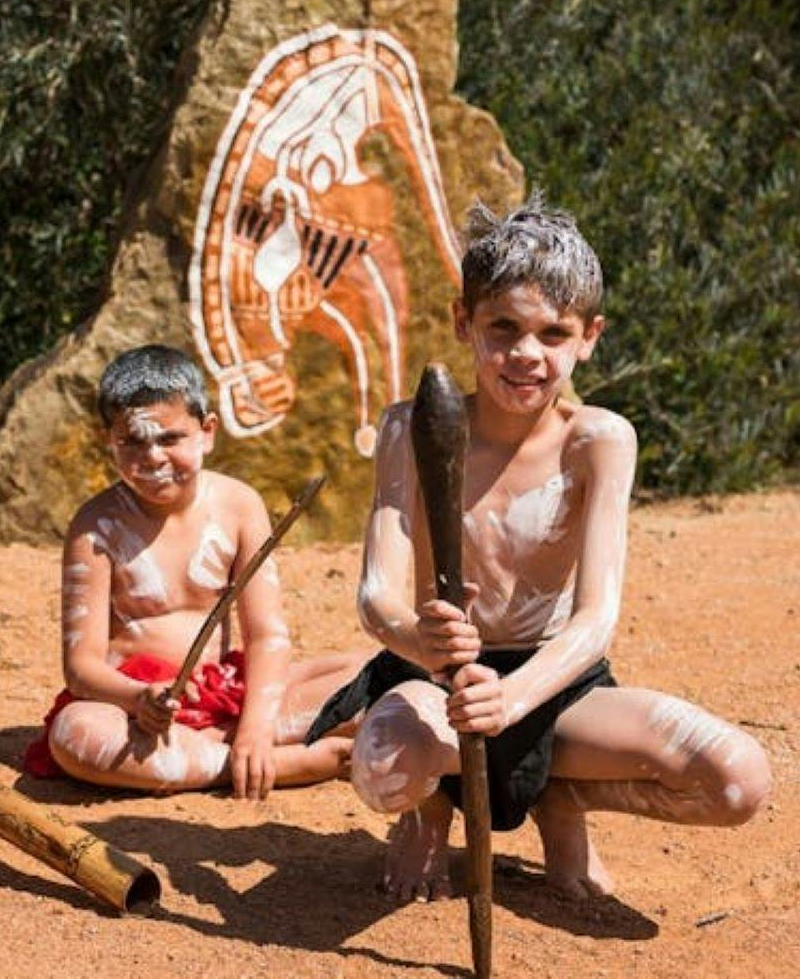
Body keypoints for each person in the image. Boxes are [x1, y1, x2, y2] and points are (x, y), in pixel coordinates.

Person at [306, 198, 771, 901]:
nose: (527, 353)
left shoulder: (599, 441)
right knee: (382, 764)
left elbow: (595, 619)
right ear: (465, 322)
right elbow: (377, 595)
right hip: (437, 682)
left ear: (589, 337)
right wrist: (422, 639)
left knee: (736, 780)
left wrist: (516, 697)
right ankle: (429, 812)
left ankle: (564, 799)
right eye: (504, 328)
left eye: (554, 332)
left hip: (553, 684)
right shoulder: (414, 427)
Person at [22, 344, 367, 796]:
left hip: (228, 693)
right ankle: (266, 765)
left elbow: (266, 635)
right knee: (76, 735)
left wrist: (254, 729)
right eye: (132, 442)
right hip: (137, 714)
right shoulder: (95, 528)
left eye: (169, 439)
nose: (153, 458)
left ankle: (226, 750)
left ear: (206, 432)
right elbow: (81, 667)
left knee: (372, 675)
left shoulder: (239, 506)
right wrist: (137, 698)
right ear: (109, 442)